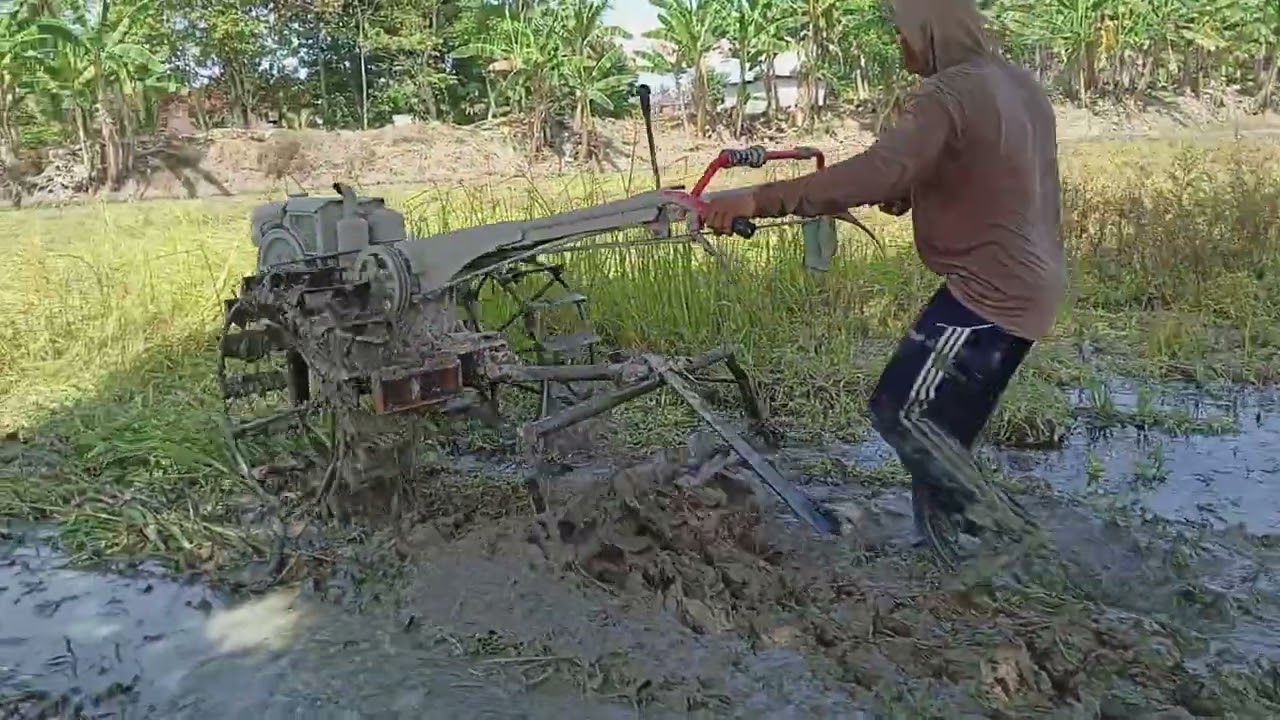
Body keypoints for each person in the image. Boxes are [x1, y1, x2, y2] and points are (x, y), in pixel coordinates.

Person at [702, 0, 1066, 565]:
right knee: (940, 442)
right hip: (1030, 280)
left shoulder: (947, 93)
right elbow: (990, 169)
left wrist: (755, 198)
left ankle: (1012, 539)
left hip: (988, 291)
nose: (900, 47)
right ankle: (955, 564)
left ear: (931, 30)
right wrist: (916, 190)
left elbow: (880, 169)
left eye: (903, 33)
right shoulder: (1015, 84)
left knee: (902, 413)